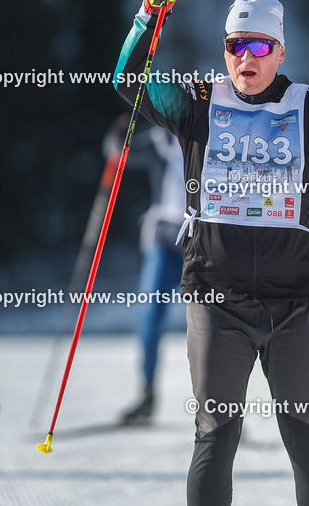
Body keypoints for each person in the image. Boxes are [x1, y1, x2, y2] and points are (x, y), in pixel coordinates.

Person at [113, 0, 309, 506]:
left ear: (281, 53)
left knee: (306, 439)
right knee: (216, 437)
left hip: (294, 303)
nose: (247, 57)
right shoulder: (197, 101)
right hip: (216, 301)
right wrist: (151, 12)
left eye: (261, 46)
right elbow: (127, 82)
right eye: (237, 44)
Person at [118, 126, 186, 424]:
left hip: (203, 243)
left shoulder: (216, 132)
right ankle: (146, 394)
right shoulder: (161, 140)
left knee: (218, 322)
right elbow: (120, 154)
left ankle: (222, 407)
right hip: (163, 242)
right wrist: (119, 133)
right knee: (149, 316)